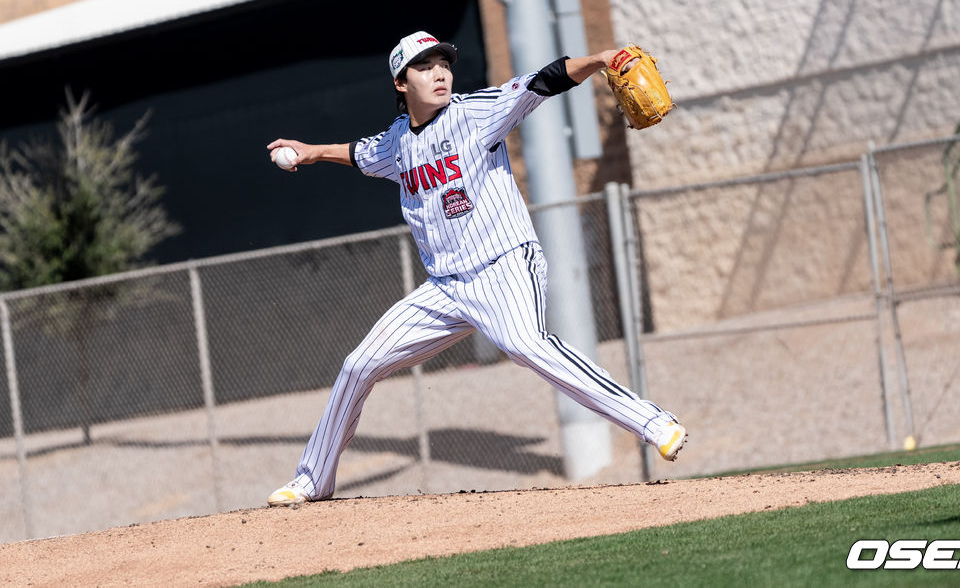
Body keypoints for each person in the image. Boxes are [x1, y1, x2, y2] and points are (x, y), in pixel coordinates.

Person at [265, 31, 684, 506]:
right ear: (401, 83)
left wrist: (602, 59)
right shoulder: (398, 143)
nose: (440, 72)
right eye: (425, 67)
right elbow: (361, 154)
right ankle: (313, 480)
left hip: (503, 263)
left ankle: (652, 422)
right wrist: (312, 151)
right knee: (359, 364)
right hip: (445, 287)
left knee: (526, 345)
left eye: (444, 63)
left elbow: (543, 81)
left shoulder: (476, 112)